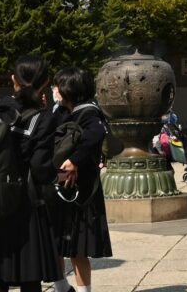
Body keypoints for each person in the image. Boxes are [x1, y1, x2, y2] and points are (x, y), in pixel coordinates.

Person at [0, 55, 62, 292]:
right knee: (29, 276)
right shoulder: (43, 118)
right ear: (45, 82)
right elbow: (41, 168)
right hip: (24, 205)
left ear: (13, 79)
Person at [51, 68, 112, 292]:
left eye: (58, 87)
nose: (54, 91)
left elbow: (96, 135)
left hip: (82, 190)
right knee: (55, 243)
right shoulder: (60, 112)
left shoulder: (89, 113)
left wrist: (75, 160)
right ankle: (61, 287)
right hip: (59, 185)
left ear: (70, 90)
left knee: (78, 248)